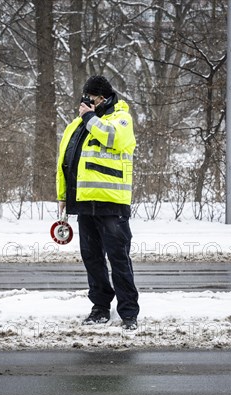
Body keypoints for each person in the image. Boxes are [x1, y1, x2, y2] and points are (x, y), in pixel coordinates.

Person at [56, 75, 140, 330]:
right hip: (84, 203)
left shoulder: (120, 118)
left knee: (118, 259)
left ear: (102, 98)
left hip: (111, 204)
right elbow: (65, 161)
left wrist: (89, 118)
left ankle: (128, 313)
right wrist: (63, 197)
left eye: (90, 98)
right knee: (92, 259)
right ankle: (100, 307)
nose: (85, 103)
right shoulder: (77, 125)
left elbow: (115, 138)